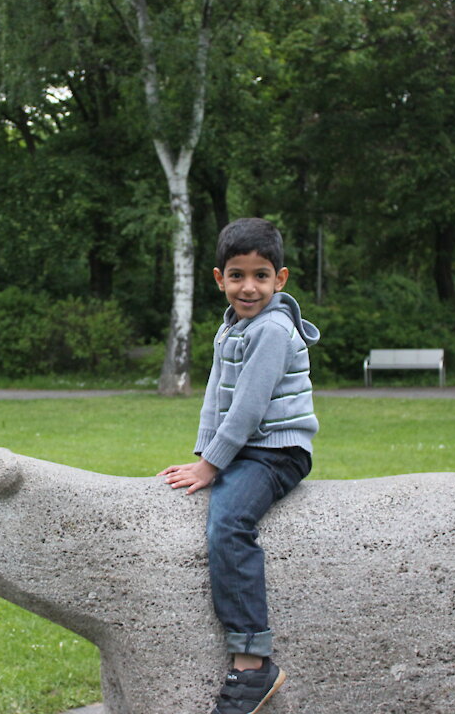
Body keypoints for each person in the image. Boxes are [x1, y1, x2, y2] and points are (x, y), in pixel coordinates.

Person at [159, 217, 320, 714]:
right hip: (247, 447)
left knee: (228, 523)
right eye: (236, 275)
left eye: (261, 275)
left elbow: (249, 408)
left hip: (277, 452)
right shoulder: (232, 327)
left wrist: (213, 468)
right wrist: (204, 455)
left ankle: (253, 660)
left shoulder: (271, 329)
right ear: (218, 278)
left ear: (281, 278)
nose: (248, 287)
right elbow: (216, 397)